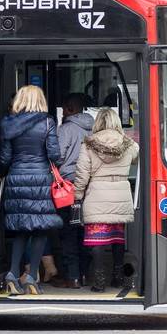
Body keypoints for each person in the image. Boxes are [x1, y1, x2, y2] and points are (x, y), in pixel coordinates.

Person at [0, 85, 63, 295]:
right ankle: (31, 278)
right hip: (40, 181)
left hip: (16, 179)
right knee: (40, 229)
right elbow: (54, 154)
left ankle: (11, 274)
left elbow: (5, 158)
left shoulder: (8, 124)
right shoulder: (47, 122)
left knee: (20, 230)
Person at [74, 109, 139, 292]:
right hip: (120, 195)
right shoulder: (128, 144)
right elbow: (136, 157)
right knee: (117, 239)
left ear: (98, 123)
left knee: (96, 241)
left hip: (97, 196)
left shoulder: (88, 145)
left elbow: (81, 175)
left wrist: (77, 196)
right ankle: (117, 276)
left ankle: (99, 279)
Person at [55, 93, 94, 288]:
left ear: (69, 109)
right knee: (84, 231)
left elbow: (58, 156)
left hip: (68, 185)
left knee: (68, 232)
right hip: (88, 184)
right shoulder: (92, 129)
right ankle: (85, 274)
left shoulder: (66, 129)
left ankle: (72, 277)